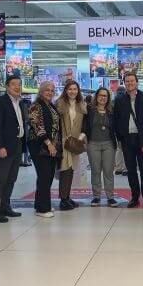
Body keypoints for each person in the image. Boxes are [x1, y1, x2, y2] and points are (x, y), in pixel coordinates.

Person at [0, 75, 25, 223]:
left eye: (19, 84)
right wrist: (0, 146)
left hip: (18, 145)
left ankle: (5, 206)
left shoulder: (20, 103)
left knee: (11, 178)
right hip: (5, 147)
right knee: (1, 179)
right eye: (14, 84)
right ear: (7, 87)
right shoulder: (0, 102)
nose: (17, 87)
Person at [113, 72, 143, 208]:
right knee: (131, 170)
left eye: (132, 81)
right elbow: (116, 120)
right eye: (127, 81)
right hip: (127, 140)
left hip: (142, 141)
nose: (130, 83)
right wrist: (120, 137)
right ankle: (135, 197)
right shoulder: (120, 100)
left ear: (137, 82)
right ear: (124, 83)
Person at [27, 81, 61, 218]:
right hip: (39, 145)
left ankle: (40, 203)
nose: (50, 92)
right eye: (47, 90)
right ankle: (42, 209)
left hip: (50, 144)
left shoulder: (51, 106)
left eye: (52, 90)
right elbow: (38, 126)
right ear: (41, 91)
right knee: (45, 175)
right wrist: (49, 143)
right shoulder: (36, 106)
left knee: (46, 176)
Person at [55, 80, 87, 211]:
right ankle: (63, 199)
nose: (72, 91)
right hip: (63, 142)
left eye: (75, 89)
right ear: (65, 90)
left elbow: (85, 124)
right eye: (70, 89)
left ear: (78, 91)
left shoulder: (82, 105)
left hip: (75, 143)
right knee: (64, 170)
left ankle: (67, 197)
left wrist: (80, 138)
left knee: (71, 169)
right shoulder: (60, 105)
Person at [85, 87, 118, 208]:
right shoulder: (90, 110)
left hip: (109, 144)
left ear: (108, 98)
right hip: (93, 144)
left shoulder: (112, 111)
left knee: (108, 172)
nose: (102, 98)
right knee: (95, 171)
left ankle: (110, 197)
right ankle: (96, 196)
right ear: (96, 97)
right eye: (100, 95)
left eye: (105, 96)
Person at [113, 87, 128, 176]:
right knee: (126, 150)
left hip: (118, 130)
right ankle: (125, 168)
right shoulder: (126, 100)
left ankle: (118, 168)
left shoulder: (114, 101)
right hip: (126, 130)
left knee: (119, 149)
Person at [20, 96, 33, 167]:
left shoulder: (20, 104)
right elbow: (28, 118)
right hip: (26, 128)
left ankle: (21, 161)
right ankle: (26, 161)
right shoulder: (27, 105)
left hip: (21, 128)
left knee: (22, 145)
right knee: (27, 144)